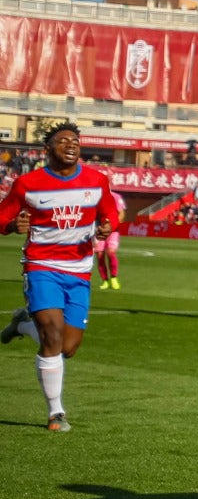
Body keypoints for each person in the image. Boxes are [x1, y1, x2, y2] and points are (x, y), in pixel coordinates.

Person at [0, 122, 119, 432]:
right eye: (63, 140)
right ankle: (56, 413)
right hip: (41, 266)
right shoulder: (27, 184)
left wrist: (108, 225)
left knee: (68, 347)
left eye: (75, 141)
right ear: (47, 150)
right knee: (52, 336)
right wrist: (11, 226)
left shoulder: (97, 180)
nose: (71, 144)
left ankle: (22, 325)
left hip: (79, 271)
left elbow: (111, 213)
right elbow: (2, 217)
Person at [94, 189, 127, 290]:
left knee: (111, 252)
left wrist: (113, 225)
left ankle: (113, 277)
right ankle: (105, 281)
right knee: (100, 255)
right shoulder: (95, 197)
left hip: (113, 230)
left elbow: (121, 213)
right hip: (99, 230)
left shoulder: (116, 196)